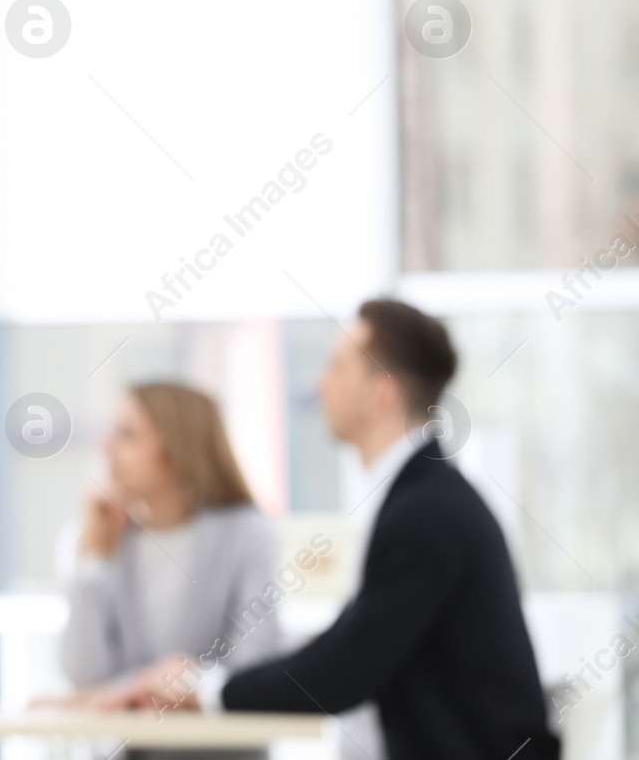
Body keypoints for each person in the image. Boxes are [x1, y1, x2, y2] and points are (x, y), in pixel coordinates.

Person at [121, 299, 559, 760]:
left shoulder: (426, 512)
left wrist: (208, 688)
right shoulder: (419, 494)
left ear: (380, 393)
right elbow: (353, 641)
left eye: (336, 367)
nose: (320, 383)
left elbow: (344, 671)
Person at [49, 382, 283, 760]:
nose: (107, 448)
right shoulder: (103, 536)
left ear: (176, 448)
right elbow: (84, 675)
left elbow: (255, 668)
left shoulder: (247, 533)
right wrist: (92, 559)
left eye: (127, 435)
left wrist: (130, 690)